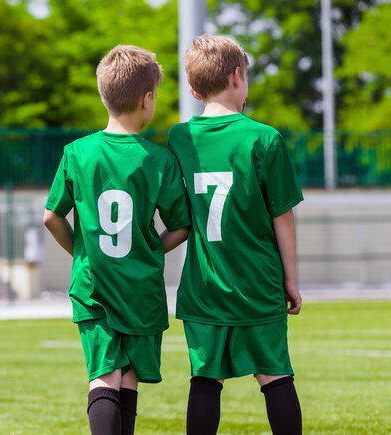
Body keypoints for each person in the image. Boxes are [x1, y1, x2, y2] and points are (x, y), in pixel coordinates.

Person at [44, 44, 191, 435]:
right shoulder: (159, 160)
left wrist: (81, 251)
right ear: (148, 99)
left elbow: (51, 216)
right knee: (127, 379)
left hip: (93, 284)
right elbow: (181, 225)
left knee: (105, 375)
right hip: (140, 287)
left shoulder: (77, 152)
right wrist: (150, 248)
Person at [167, 34, 304, 435]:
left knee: (205, 380)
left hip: (203, 286)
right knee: (275, 376)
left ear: (193, 89)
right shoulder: (264, 138)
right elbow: (283, 217)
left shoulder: (179, 137)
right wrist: (290, 279)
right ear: (238, 75)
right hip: (257, 283)